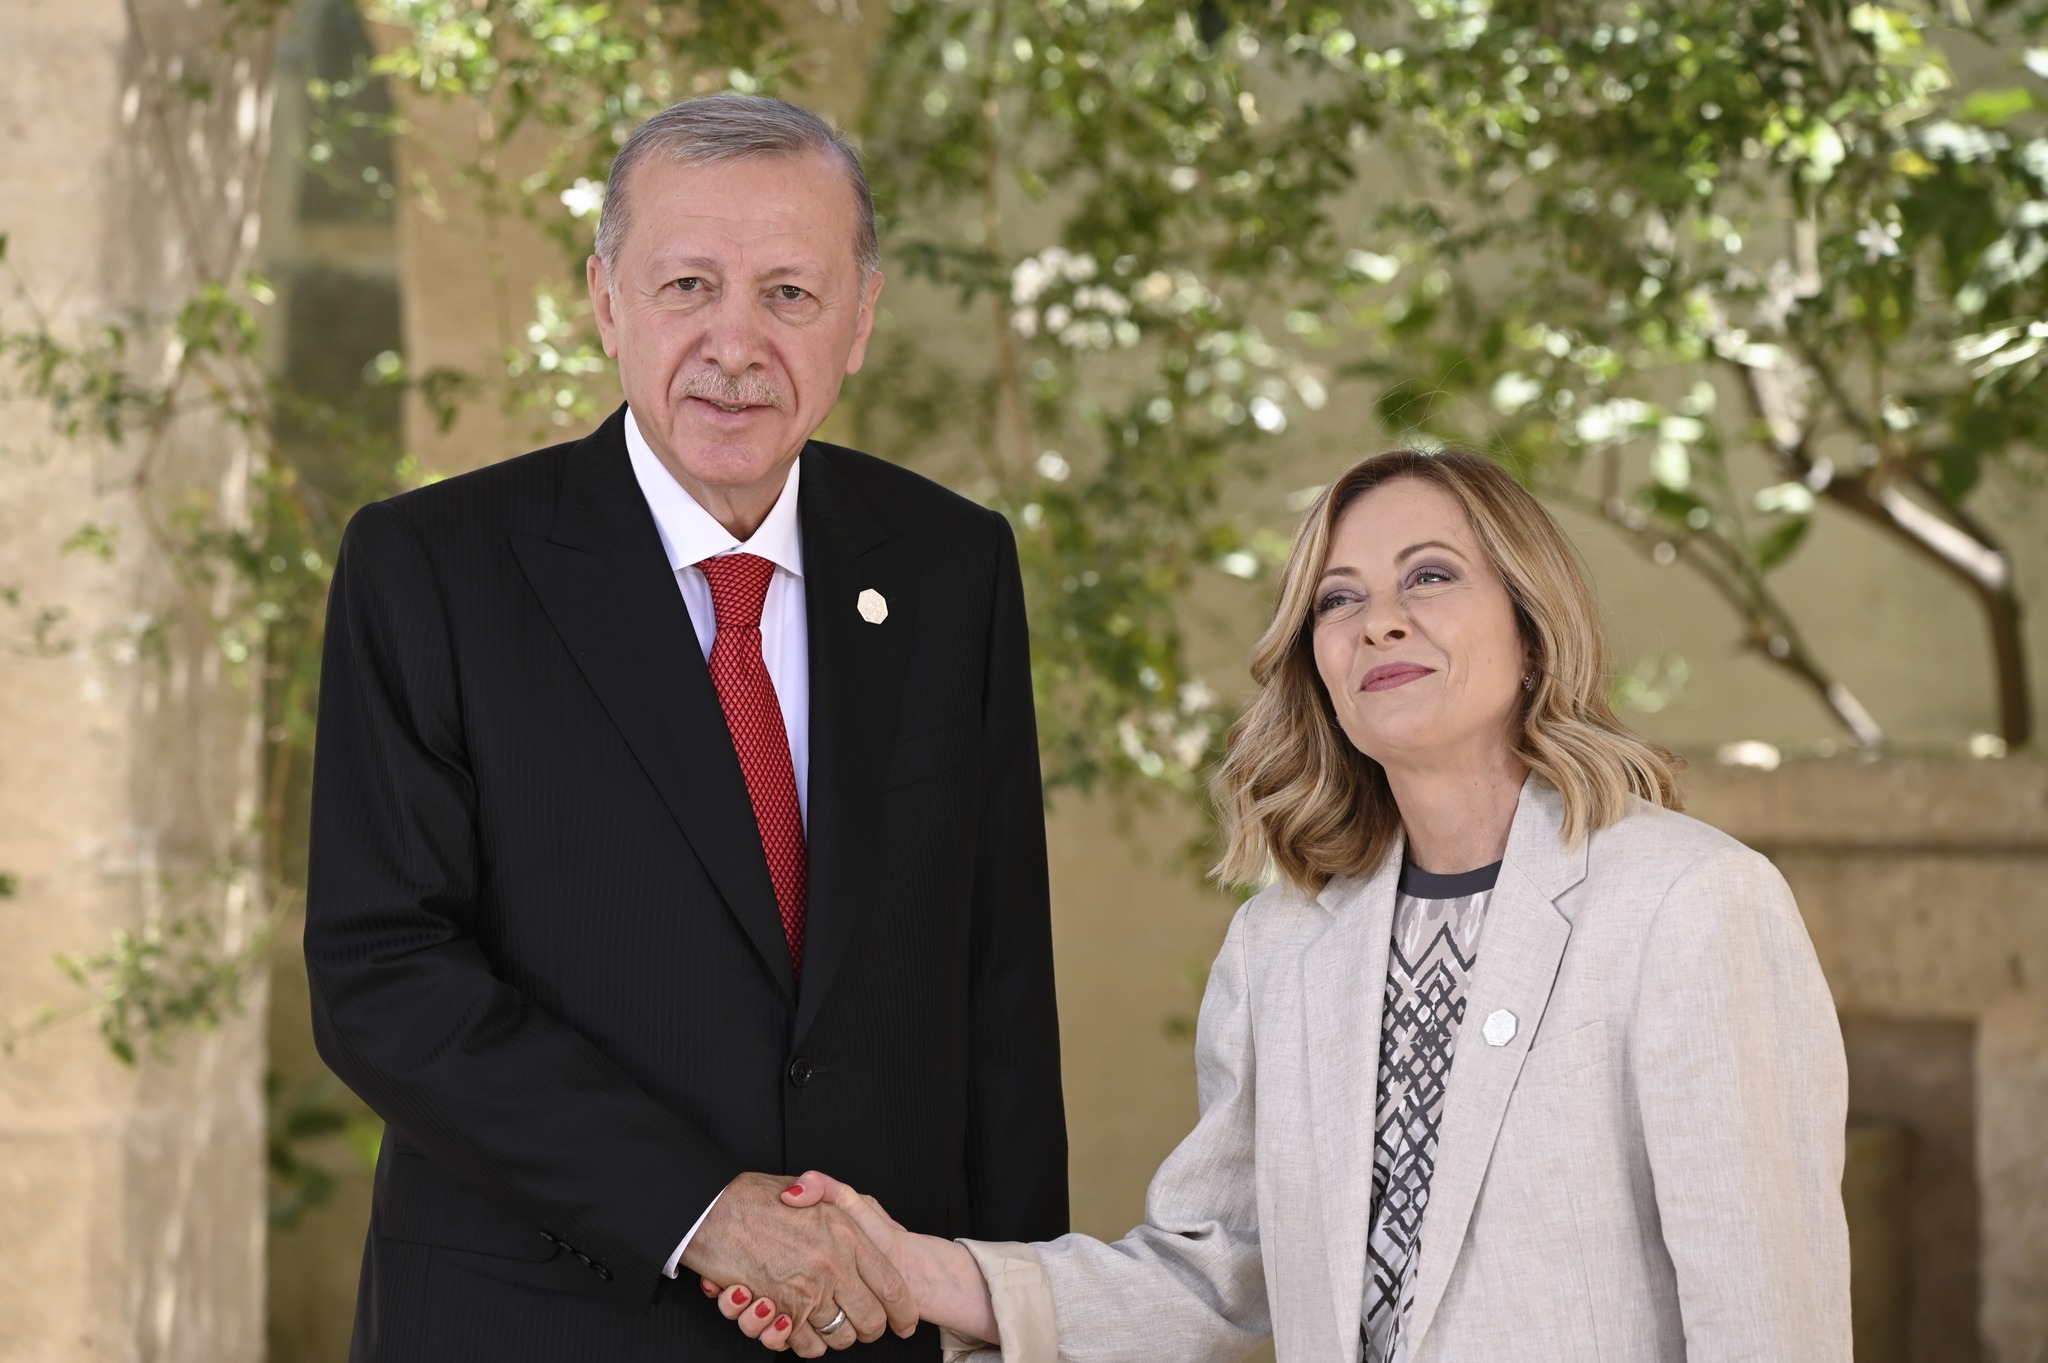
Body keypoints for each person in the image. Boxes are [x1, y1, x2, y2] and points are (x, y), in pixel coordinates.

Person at [706, 447, 1852, 1362]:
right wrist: (915, 1270)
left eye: (1429, 576)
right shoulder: (1283, 945)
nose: (1377, 620)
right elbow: (1213, 1275)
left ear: (1528, 617)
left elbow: (1767, 1323)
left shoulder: (1688, 903)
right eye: (1337, 599)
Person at [304, 94, 1069, 1362]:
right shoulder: (430, 568)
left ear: (860, 319)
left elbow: (997, 992)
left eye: (789, 293)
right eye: (688, 285)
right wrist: (700, 1211)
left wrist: (1011, 1315)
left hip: (869, 1327)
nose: (735, 344)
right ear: (607, 300)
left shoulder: (950, 565)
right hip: (533, 1327)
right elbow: (383, 973)